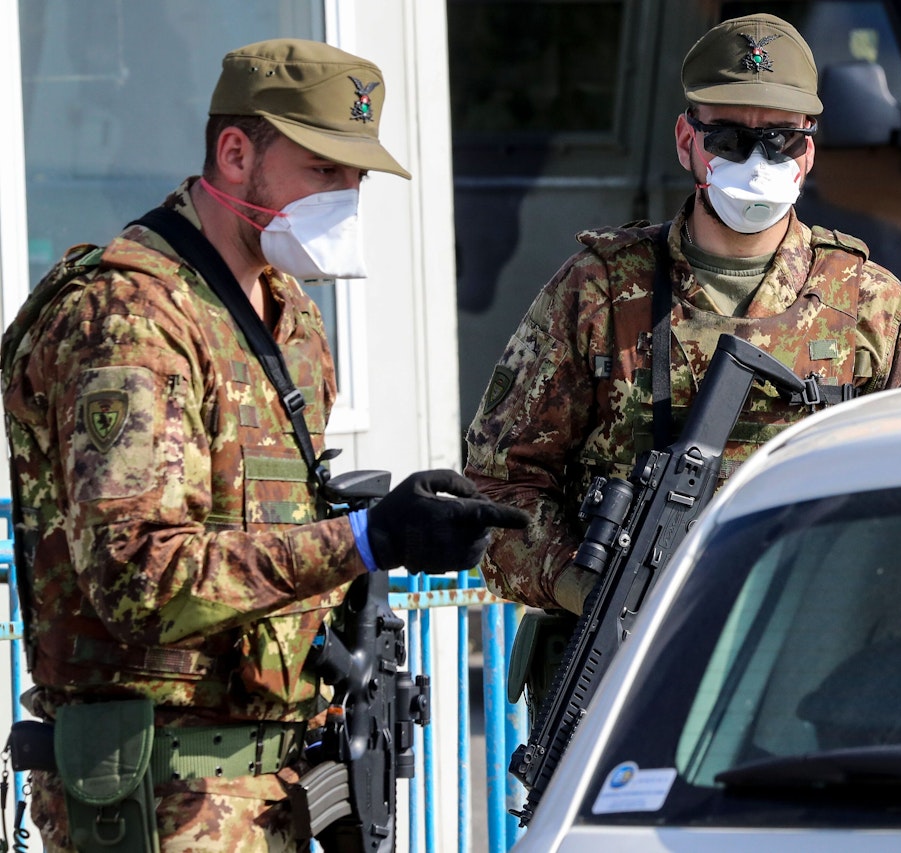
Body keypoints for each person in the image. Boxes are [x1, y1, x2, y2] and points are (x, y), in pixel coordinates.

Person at [0, 39, 527, 851]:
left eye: (356, 179)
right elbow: (137, 576)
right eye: (324, 170)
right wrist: (364, 538)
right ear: (237, 153)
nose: (346, 197)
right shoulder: (131, 319)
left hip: (274, 793)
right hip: (157, 800)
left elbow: (273, 538)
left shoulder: (293, 321)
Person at [465, 14, 901, 648]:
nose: (757, 159)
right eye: (729, 137)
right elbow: (500, 484)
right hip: (629, 660)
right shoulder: (596, 291)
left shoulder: (871, 307)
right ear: (688, 142)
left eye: (781, 140)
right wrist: (591, 591)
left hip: (812, 655)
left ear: (808, 152)